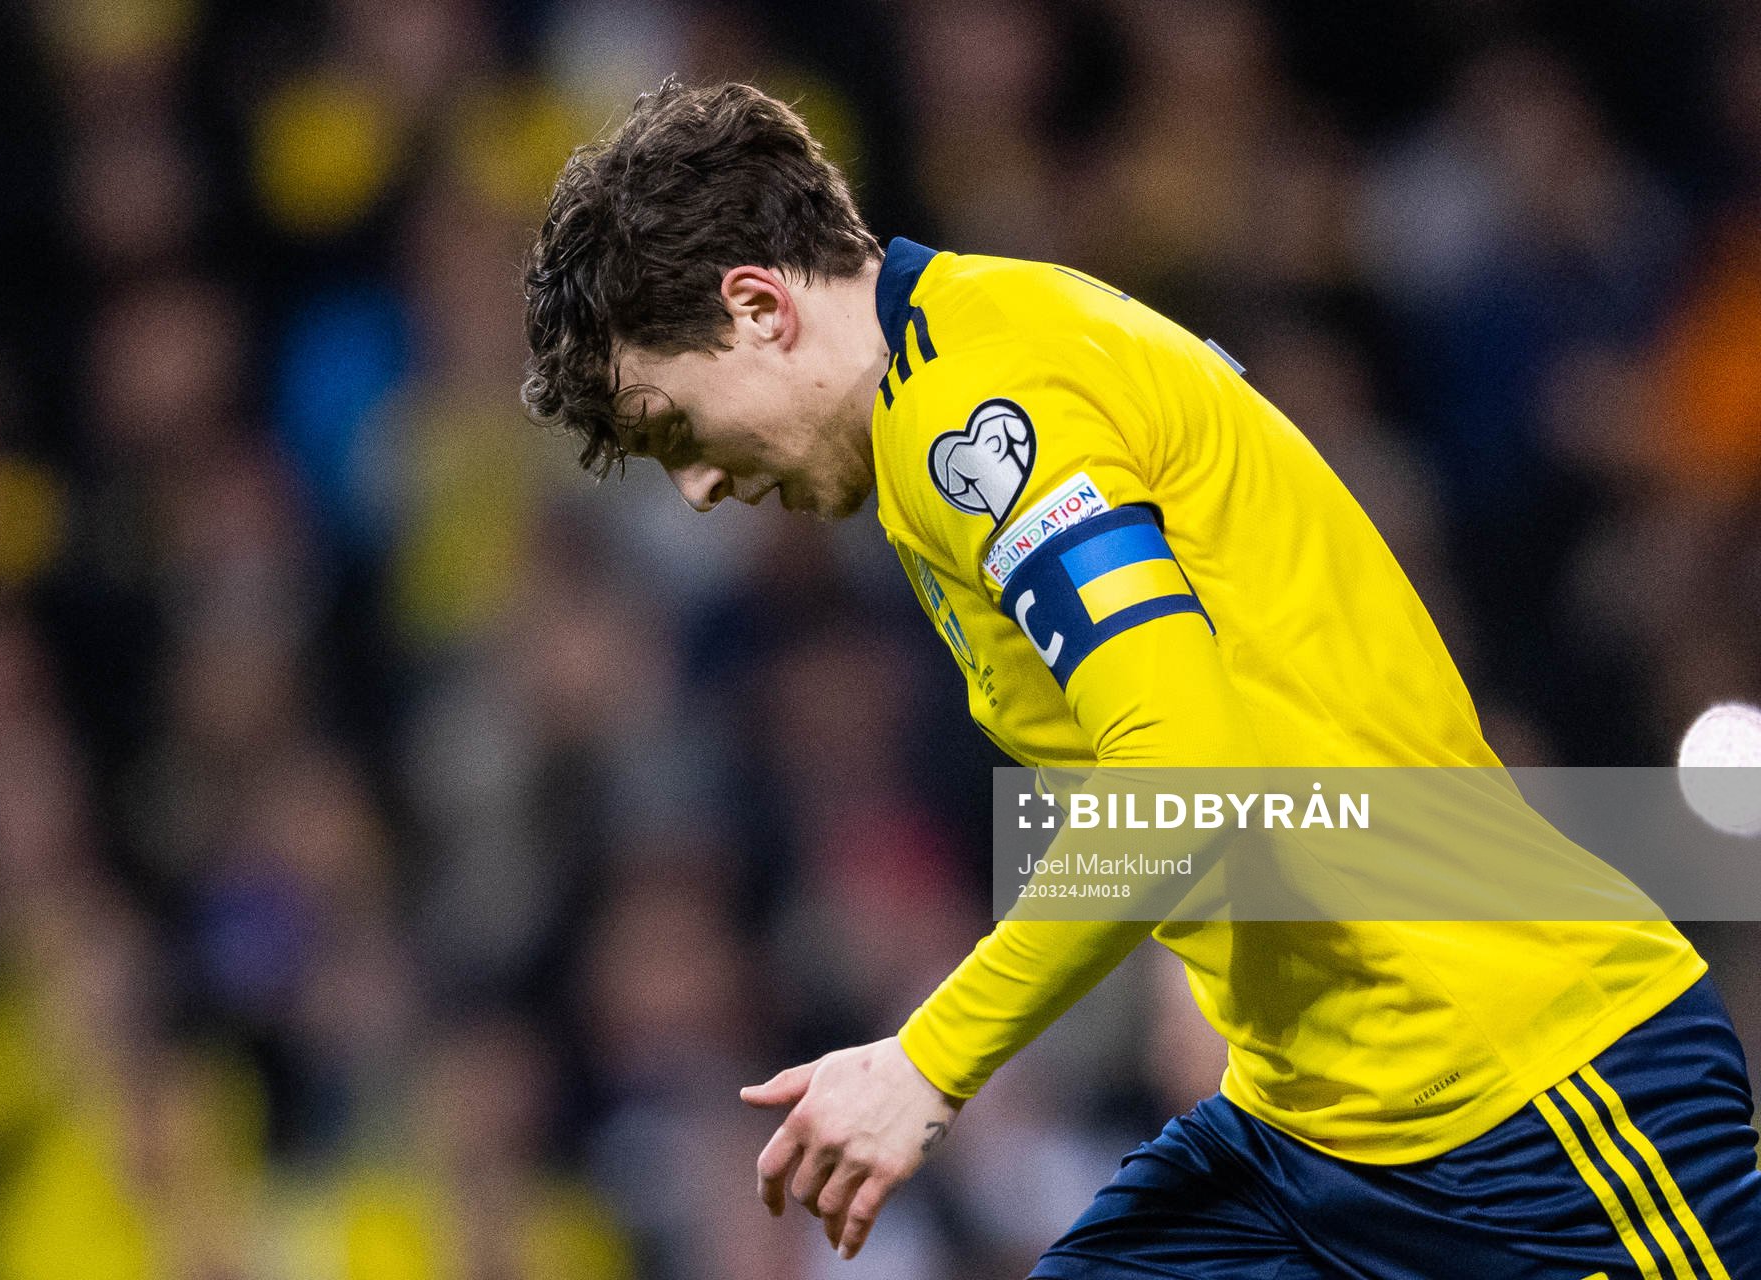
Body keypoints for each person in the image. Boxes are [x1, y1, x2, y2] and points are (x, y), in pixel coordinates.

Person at [521, 79, 1761, 1278]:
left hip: (1538, 1103)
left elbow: (1182, 770)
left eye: (677, 428)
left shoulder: (980, 412)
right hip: (1320, 1127)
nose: (697, 487)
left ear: (758, 306)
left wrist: (929, 1059)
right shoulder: (947, 385)